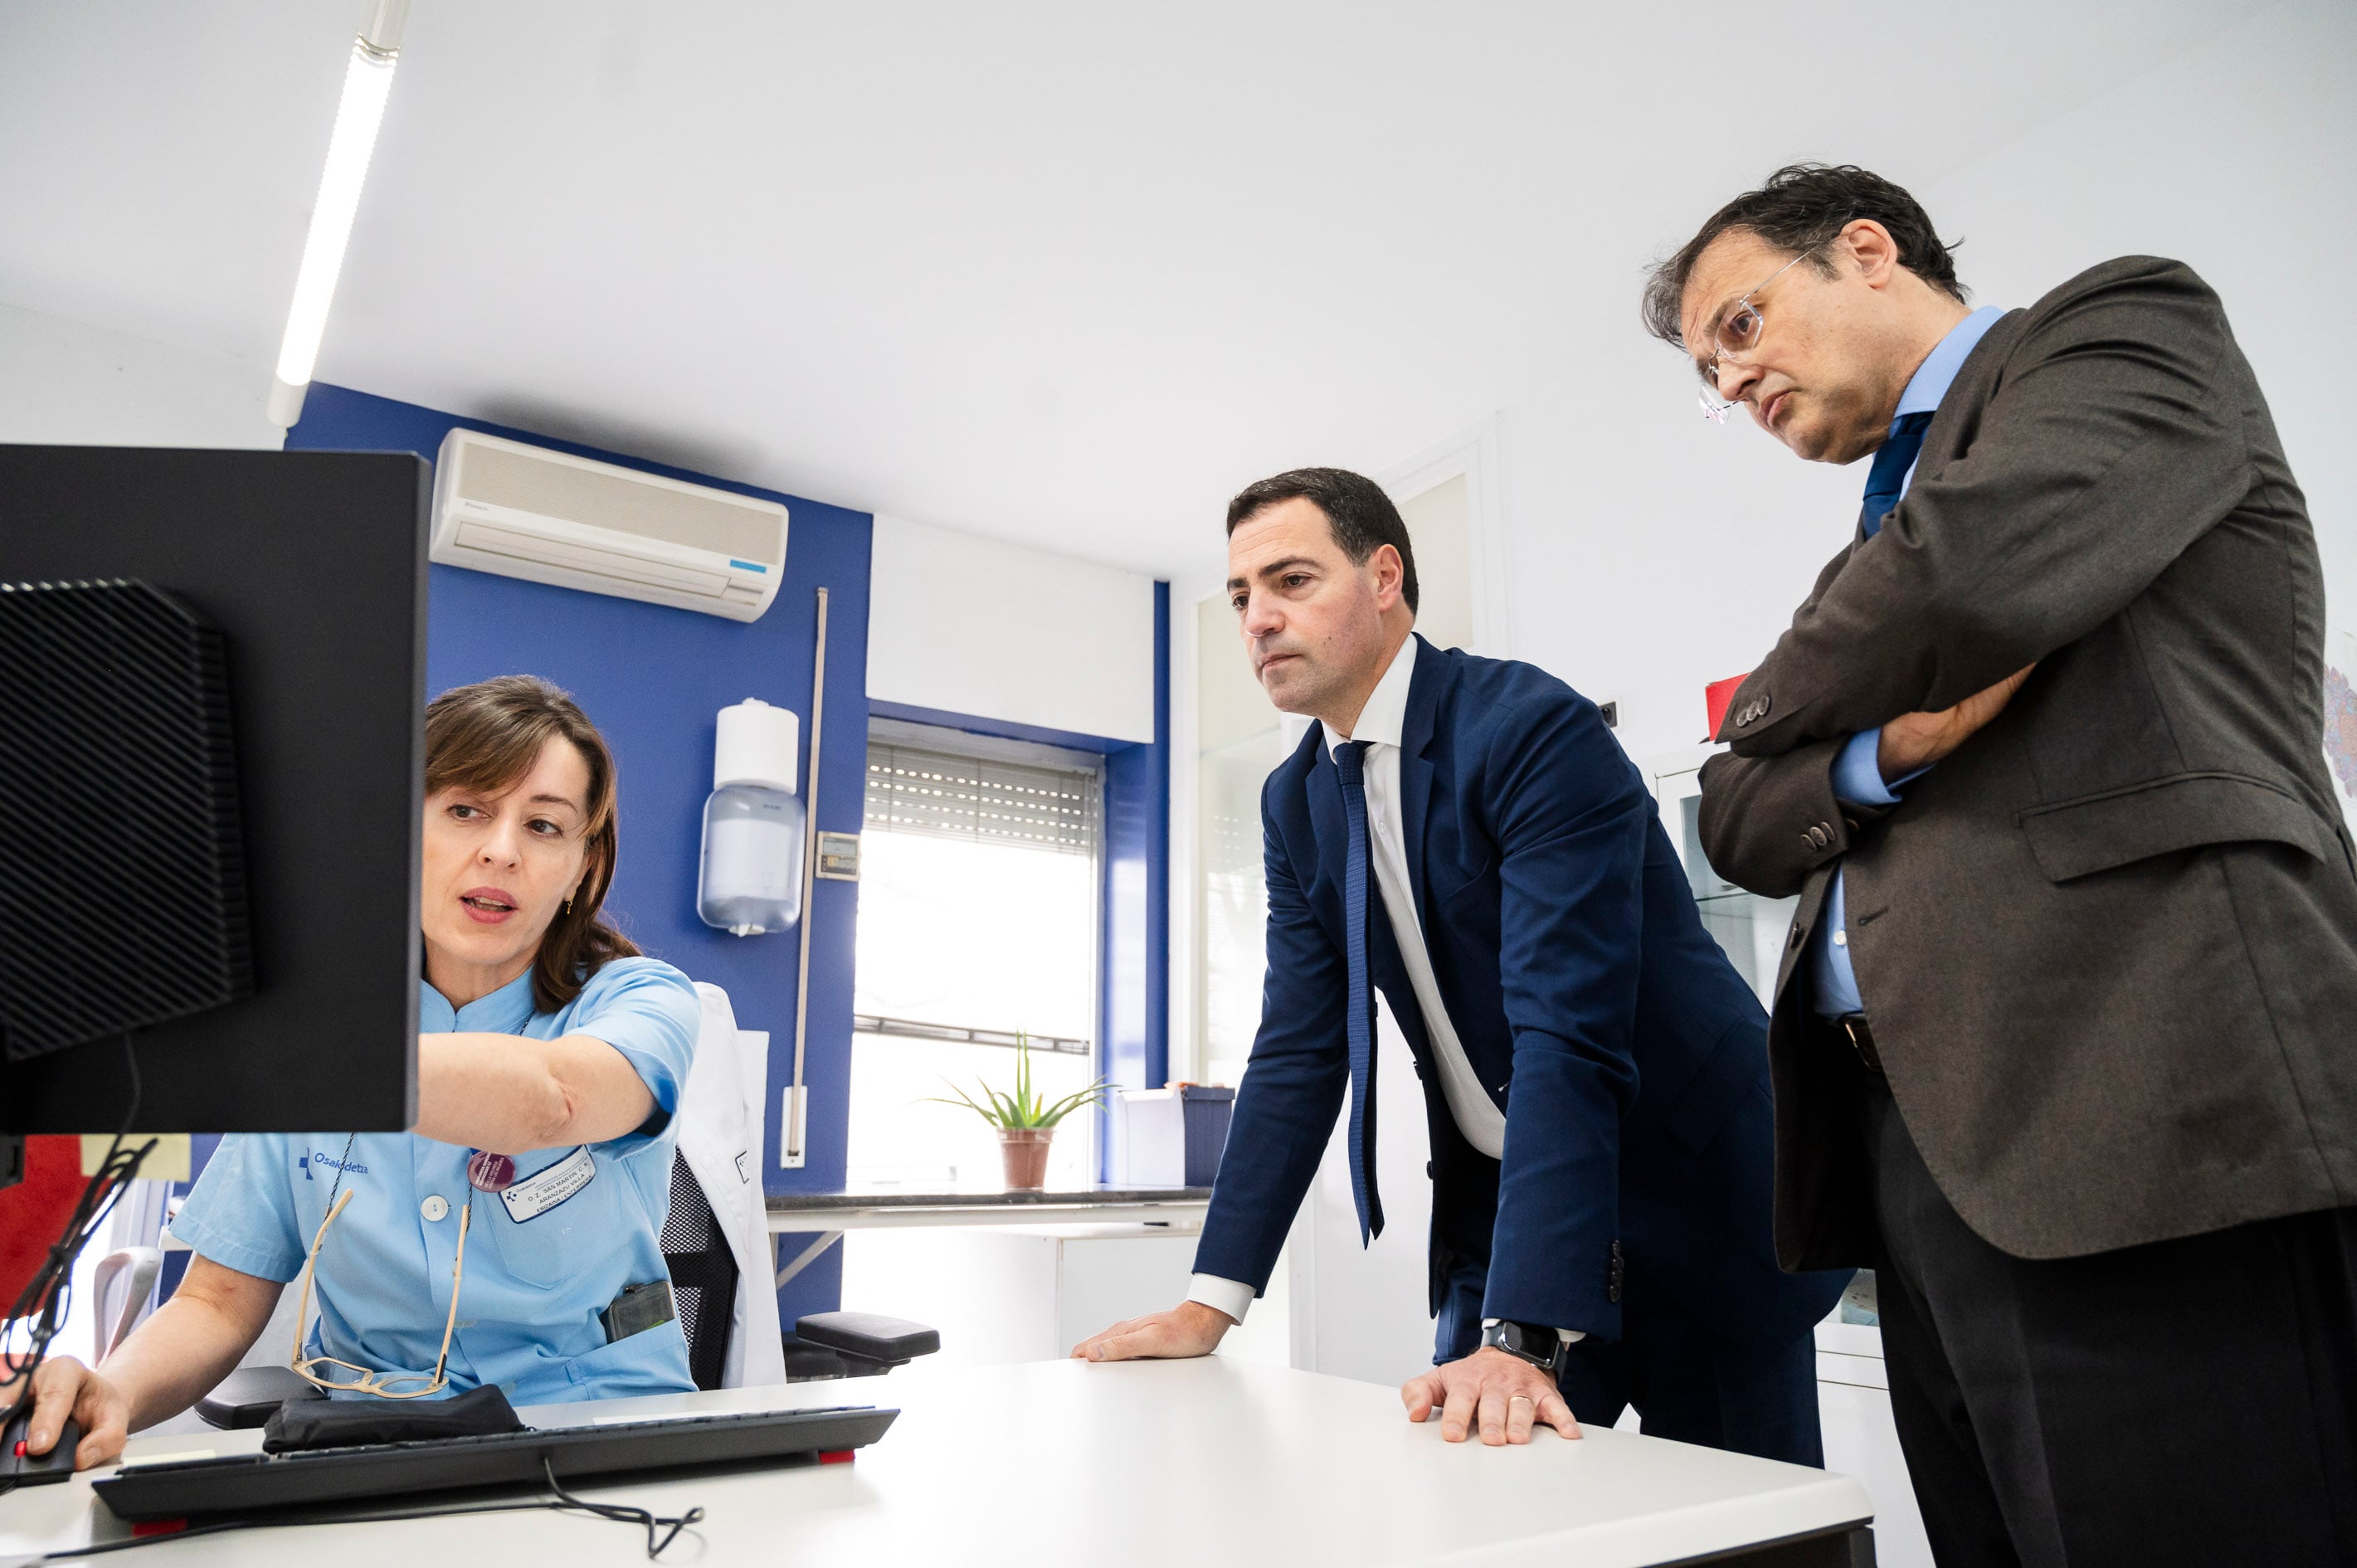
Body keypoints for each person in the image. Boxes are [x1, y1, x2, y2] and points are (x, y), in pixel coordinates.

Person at [1650, 163, 2357, 1564]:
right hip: (1916, 1159)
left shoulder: (2126, 332)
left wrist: (1762, 721)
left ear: (1866, 251)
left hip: (2147, 1105)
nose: (1728, 383)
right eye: (1706, 372)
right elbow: (1731, 818)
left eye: (1740, 325)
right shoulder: (1874, 553)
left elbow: (1951, 580)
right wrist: (1877, 752)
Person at [1072, 469, 1846, 1462]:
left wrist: (1523, 1333)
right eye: (1240, 597)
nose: (1258, 619)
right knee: (1487, 1511)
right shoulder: (1295, 802)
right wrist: (1211, 1300)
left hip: (1694, 1198)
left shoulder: (1528, 728)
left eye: (1292, 580)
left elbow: (1566, 1027)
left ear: (1383, 576)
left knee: (1745, 1536)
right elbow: (1299, 1052)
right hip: (1510, 1209)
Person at [15, 675, 702, 1471]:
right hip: (372, 1446)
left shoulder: (640, 1001)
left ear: (584, 866)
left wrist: (300, 1049)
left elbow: (554, 1100)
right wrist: (114, 1392)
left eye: (544, 825)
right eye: (466, 809)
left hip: (597, 1439)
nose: (502, 850)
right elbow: (215, 1301)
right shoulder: (313, 1027)